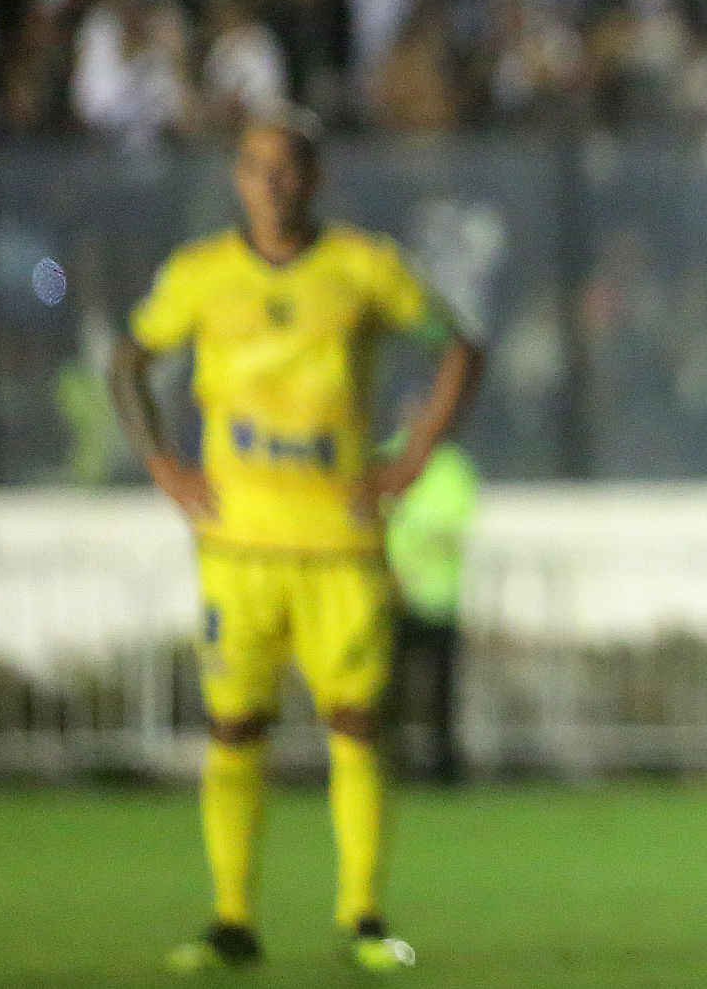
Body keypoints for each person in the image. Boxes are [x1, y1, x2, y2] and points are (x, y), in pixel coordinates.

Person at [111, 109, 483, 974]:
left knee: (356, 722)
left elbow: (459, 348)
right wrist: (164, 466)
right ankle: (232, 919)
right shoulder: (201, 275)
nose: (271, 183)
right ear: (236, 178)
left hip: (339, 542)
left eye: (286, 168)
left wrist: (411, 458)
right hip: (237, 544)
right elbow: (128, 362)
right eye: (254, 167)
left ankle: (363, 917)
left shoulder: (365, 267)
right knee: (234, 724)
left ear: (315, 178)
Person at [383, 430, 480, 784]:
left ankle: (442, 765)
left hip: (438, 599)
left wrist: (413, 529)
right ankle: (387, 761)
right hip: (392, 595)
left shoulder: (451, 466)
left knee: (440, 690)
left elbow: (457, 520)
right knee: (387, 688)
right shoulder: (386, 455)